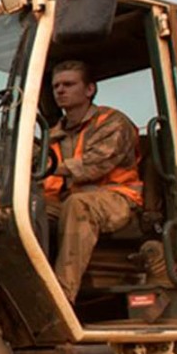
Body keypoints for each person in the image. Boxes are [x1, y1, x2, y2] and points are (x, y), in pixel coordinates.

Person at [42, 59, 141, 302]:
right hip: (68, 198)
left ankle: (61, 299)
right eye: (56, 86)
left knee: (78, 205)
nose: (61, 91)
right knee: (25, 208)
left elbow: (93, 166)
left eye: (68, 84)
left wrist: (45, 168)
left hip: (118, 198)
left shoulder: (113, 123)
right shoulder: (54, 133)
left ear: (89, 89)